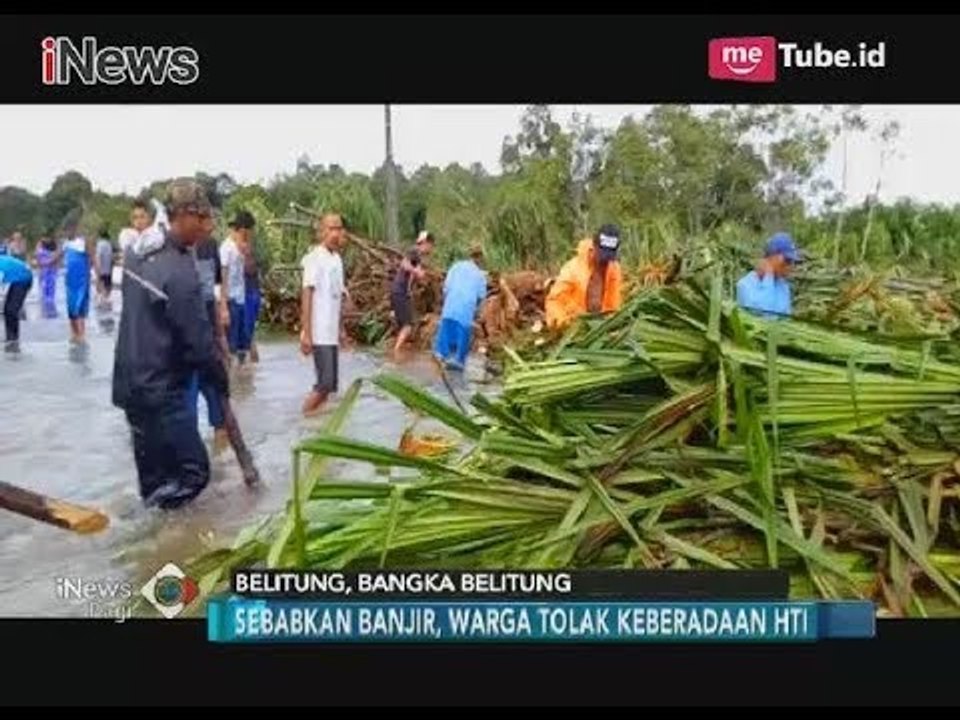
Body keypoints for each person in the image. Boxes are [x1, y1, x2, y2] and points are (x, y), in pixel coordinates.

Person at [112, 179, 228, 510]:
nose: (207, 227)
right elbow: (196, 341)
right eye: (202, 218)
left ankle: (154, 543)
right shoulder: (180, 270)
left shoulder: (139, 251)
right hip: (160, 389)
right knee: (195, 473)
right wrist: (218, 376)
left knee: (154, 478)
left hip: (128, 382)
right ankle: (147, 526)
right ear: (183, 216)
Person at [187, 210, 230, 451]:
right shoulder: (176, 250)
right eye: (209, 220)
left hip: (206, 328)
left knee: (215, 391)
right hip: (186, 336)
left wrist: (220, 335)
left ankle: (221, 451)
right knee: (188, 398)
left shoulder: (210, 246)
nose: (213, 224)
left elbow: (210, 293)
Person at [299, 213, 347, 416]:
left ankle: (316, 425)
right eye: (331, 228)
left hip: (331, 333)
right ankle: (301, 420)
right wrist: (306, 332)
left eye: (338, 228)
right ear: (321, 232)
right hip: (318, 332)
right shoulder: (314, 258)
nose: (335, 233)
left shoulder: (337, 259)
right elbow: (307, 294)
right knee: (325, 384)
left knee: (330, 387)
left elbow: (337, 297)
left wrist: (342, 330)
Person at [545, 224, 624, 329]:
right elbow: (554, 300)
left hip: (600, 327)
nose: (605, 261)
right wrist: (565, 324)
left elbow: (613, 304)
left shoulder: (614, 269)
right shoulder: (573, 269)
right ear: (594, 246)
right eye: (602, 255)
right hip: (574, 325)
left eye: (609, 256)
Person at [433, 244, 488, 371]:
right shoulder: (480, 275)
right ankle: (458, 361)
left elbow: (446, 289)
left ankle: (442, 357)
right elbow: (481, 297)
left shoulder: (456, 266)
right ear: (480, 258)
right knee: (462, 340)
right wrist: (477, 311)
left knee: (444, 342)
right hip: (465, 309)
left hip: (450, 306)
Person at [390, 230, 436, 358]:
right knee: (408, 326)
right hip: (400, 291)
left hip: (401, 292)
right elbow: (404, 264)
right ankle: (396, 354)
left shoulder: (418, 255)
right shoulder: (415, 251)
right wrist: (417, 272)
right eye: (431, 245)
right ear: (425, 243)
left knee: (405, 324)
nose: (431, 249)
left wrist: (421, 276)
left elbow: (415, 272)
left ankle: (397, 350)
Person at [736, 232, 801, 318]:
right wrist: (768, 276)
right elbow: (765, 315)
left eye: (792, 262)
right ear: (771, 257)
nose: (790, 266)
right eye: (787, 261)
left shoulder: (783, 286)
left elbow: (785, 319)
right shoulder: (745, 285)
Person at [220, 211, 254, 366]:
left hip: (241, 299)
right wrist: (224, 306)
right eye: (248, 232)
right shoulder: (226, 249)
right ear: (242, 230)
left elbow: (249, 271)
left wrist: (246, 254)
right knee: (231, 346)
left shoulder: (241, 248)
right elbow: (223, 278)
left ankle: (243, 384)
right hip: (230, 300)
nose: (249, 236)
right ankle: (233, 383)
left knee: (243, 345)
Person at [62, 221, 94, 343]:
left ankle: (81, 335)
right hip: (70, 281)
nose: (67, 233)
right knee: (71, 309)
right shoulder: (66, 244)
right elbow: (57, 257)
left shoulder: (84, 243)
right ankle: (74, 334)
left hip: (82, 280)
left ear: (75, 230)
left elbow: (94, 259)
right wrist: (44, 263)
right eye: (65, 231)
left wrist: (100, 282)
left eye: (69, 230)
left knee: (80, 308)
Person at [0, 254, 33, 350]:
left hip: (24, 278)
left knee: (11, 309)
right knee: (7, 309)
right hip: (18, 278)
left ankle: (13, 338)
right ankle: (11, 337)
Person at [119, 198, 165, 266]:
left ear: (149, 218)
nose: (138, 221)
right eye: (135, 217)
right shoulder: (127, 236)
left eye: (142, 217)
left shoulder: (156, 236)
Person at [242, 230, 263, 364]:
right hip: (245, 294)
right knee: (246, 326)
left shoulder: (251, 255)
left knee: (250, 325)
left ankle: (250, 351)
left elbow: (252, 269)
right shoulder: (234, 251)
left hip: (253, 292)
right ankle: (248, 351)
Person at [34, 237, 59, 318]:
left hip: (46, 272)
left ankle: (47, 306)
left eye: (39, 243)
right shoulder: (46, 252)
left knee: (46, 289)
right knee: (49, 289)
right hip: (48, 272)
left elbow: (40, 262)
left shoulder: (42, 252)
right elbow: (50, 262)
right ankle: (49, 306)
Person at [94, 228, 114, 306]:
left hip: (101, 268)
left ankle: (102, 299)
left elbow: (98, 256)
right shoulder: (109, 244)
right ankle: (105, 298)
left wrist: (97, 267)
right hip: (108, 268)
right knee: (107, 283)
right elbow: (111, 257)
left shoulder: (100, 244)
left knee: (101, 283)